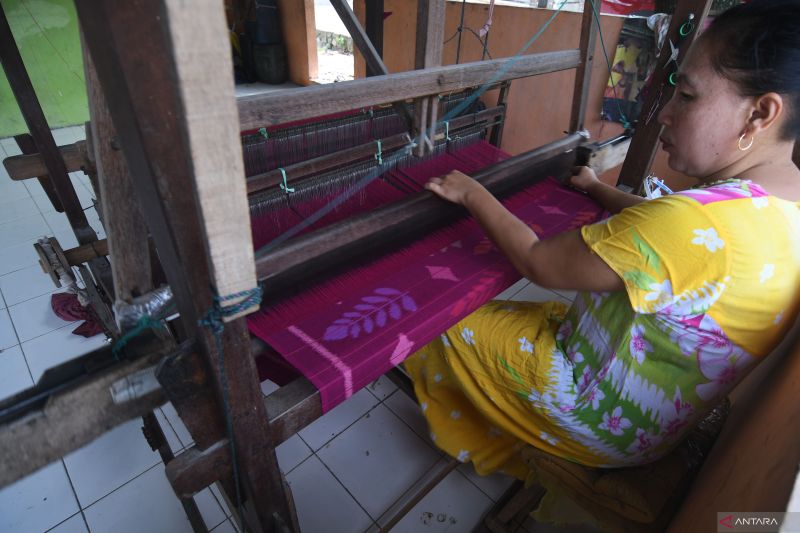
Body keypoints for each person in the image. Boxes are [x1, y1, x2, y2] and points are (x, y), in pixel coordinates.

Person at [404, 0, 800, 481]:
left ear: (761, 113)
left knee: (429, 320)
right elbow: (677, 237)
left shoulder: (693, 225)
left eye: (688, 97)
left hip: (597, 415)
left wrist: (472, 191)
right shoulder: (779, 206)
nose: (665, 114)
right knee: (491, 308)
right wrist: (595, 188)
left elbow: (538, 262)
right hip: (652, 417)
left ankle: (473, 432)